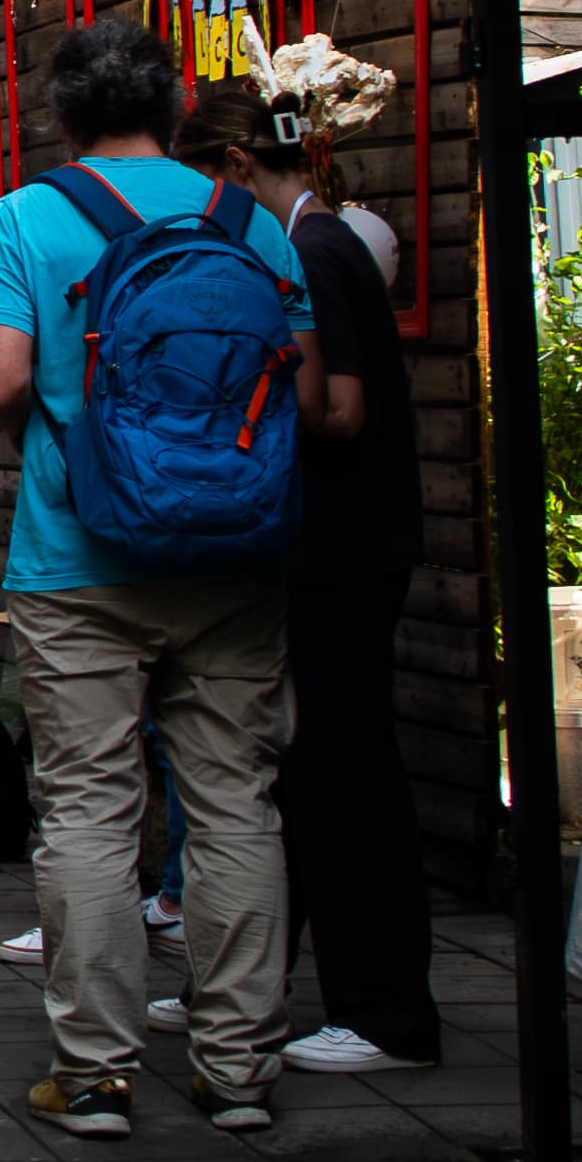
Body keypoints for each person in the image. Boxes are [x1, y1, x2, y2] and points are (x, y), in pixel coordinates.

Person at [0, 15, 321, 1139]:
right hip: (235, 558)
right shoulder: (248, 220)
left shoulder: (28, 217)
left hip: (79, 555)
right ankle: (238, 1067)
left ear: (62, 115)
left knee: (87, 808)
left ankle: (95, 1075)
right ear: (174, 108)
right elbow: (306, 394)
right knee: (236, 803)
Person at [181, 78, 441, 1074]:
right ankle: (256, 988)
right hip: (342, 546)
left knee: (344, 773)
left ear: (237, 166)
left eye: (209, 182)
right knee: (309, 772)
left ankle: (383, 1010)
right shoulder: (323, 244)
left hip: (344, 549)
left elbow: (338, 408)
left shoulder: (314, 252)